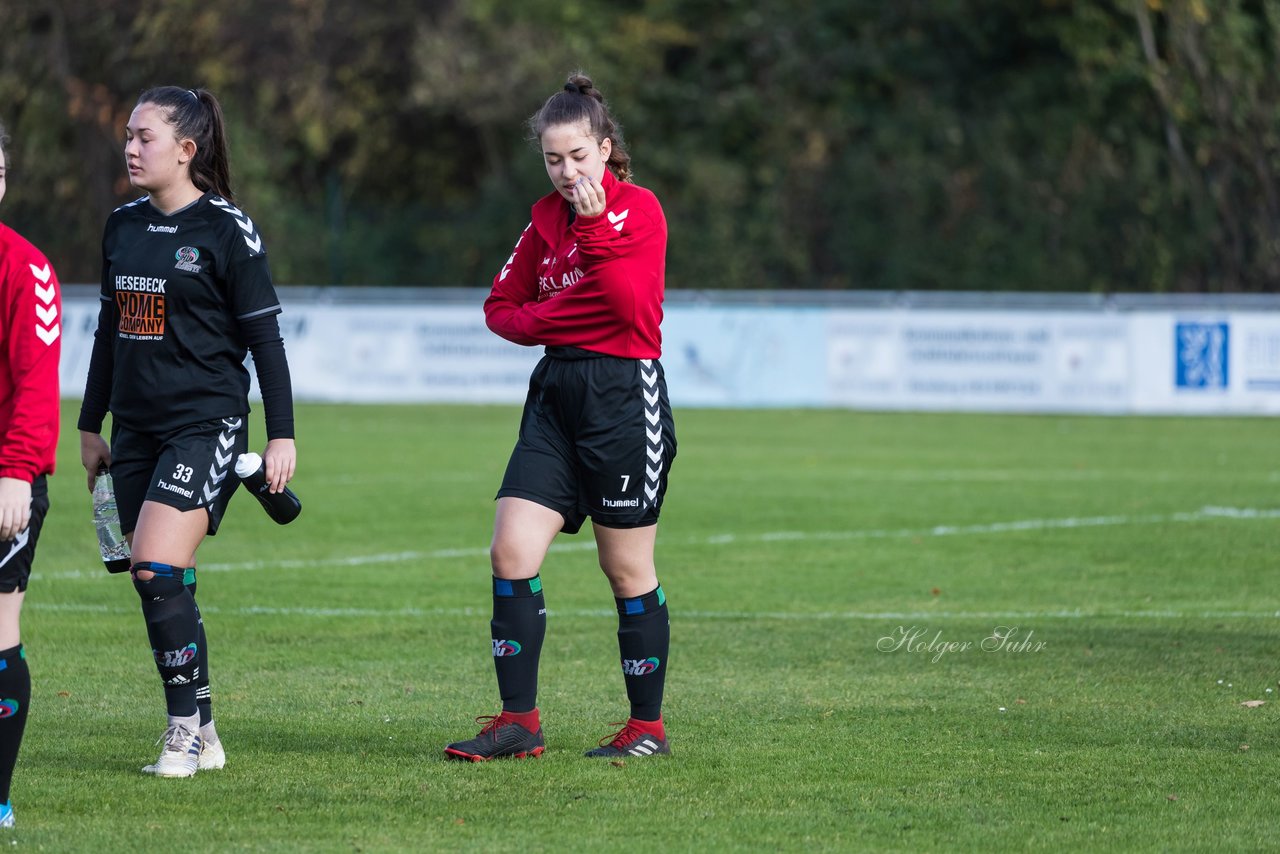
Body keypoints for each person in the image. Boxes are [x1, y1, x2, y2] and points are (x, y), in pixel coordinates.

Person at [445, 73, 676, 761]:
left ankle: (647, 730)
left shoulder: (640, 211)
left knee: (626, 568)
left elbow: (632, 311)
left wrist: (597, 229)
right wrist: (562, 318)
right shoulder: (543, 217)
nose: (566, 171)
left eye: (578, 155)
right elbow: (499, 308)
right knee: (510, 550)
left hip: (622, 396)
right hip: (554, 395)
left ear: (605, 148)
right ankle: (520, 722)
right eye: (553, 159)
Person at [77, 86, 297, 778]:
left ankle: (180, 733)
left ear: (186, 150)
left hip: (207, 423)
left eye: (145, 137)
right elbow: (108, 336)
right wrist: (89, 423)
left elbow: (267, 342)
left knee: (156, 566)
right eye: (129, 136)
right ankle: (205, 729)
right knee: (159, 581)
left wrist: (284, 435)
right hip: (135, 427)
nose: (132, 147)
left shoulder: (229, 231)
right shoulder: (121, 225)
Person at [0, 121, 62, 827]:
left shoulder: (25, 268)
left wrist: (16, 472)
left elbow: (36, 383)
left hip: (4, 479)